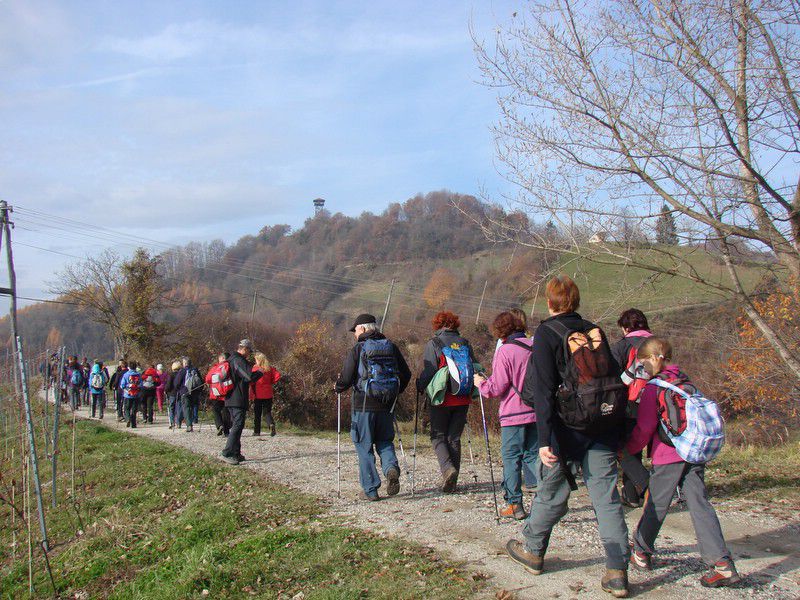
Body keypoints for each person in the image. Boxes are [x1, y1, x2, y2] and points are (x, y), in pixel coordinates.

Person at [506, 275, 630, 598]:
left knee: (552, 490)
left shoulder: (547, 333)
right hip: (602, 426)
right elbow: (613, 380)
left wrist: (545, 439)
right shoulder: (594, 330)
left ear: (550, 303)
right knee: (606, 497)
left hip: (567, 429)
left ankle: (533, 550)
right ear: (575, 301)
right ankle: (617, 570)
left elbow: (544, 392)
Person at [627, 337, 739, 587]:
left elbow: (645, 428)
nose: (642, 368)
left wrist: (627, 450)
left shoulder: (654, 387)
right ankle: (722, 563)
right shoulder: (685, 381)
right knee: (699, 504)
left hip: (669, 453)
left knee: (656, 504)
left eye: (643, 362)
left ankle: (641, 552)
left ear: (652, 359)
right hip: (694, 450)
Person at [335, 314, 411, 500]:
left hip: (363, 406)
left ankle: (370, 490)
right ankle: (391, 468)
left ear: (362, 328)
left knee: (364, 445)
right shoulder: (390, 347)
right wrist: (393, 392)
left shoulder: (358, 349)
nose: (354, 334)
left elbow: (346, 378)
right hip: (386, 406)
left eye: (355, 330)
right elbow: (406, 374)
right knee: (385, 441)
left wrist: (337, 387)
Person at [475, 311, 536, 520]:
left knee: (512, 458)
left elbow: (497, 387)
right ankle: (545, 501)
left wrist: (481, 384)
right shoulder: (534, 345)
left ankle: (514, 504)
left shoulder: (506, 351)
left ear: (500, 332)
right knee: (533, 456)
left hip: (513, 413)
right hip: (536, 411)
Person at [416, 310, 476, 493]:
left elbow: (429, 370)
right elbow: (474, 366)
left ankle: (447, 469)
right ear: (455, 324)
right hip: (463, 397)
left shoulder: (435, 343)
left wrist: (420, 385)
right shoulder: (465, 343)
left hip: (441, 398)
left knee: (438, 436)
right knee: (454, 437)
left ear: (438, 325)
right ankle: (453, 480)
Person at [611, 308, 653, 508]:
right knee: (636, 446)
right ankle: (631, 494)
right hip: (657, 402)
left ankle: (646, 483)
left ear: (626, 327)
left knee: (621, 446)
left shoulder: (623, 346)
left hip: (630, 403)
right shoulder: (658, 344)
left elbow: (612, 376)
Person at [221, 340, 262, 465]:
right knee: (238, 425)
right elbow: (248, 377)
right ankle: (227, 453)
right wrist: (260, 371)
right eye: (249, 351)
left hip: (230, 397)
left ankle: (236, 453)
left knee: (237, 425)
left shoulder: (231, 359)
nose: (249, 354)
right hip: (237, 398)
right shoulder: (238, 360)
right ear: (244, 349)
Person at [251, 352, 281, 437]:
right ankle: (271, 424)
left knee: (257, 413)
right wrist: (271, 382)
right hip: (268, 393)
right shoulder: (269, 368)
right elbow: (277, 376)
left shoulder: (255, 368)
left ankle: (257, 431)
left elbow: (250, 379)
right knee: (267, 412)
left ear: (258, 360)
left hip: (258, 393)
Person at [205, 352, 232, 436]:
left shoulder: (215, 367)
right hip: (227, 391)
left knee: (216, 410)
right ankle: (227, 431)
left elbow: (208, 379)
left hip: (215, 392)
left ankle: (220, 425)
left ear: (222, 358)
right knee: (226, 411)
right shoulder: (231, 366)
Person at [176, 357, 203, 433]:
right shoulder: (195, 370)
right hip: (195, 392)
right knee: (192, 407)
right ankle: (193, 420)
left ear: (184, 363)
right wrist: (199, 390)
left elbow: (177, 383)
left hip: (185, 392)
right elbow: (201, 381)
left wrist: (179, 390)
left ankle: (189, 425)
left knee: (186, 408)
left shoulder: (182, 371)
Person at [119, 361, 142, 428]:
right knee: (134, 410)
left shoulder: (126, 374)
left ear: (129, 367)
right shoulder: (138, 374)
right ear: (135, 367)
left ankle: (128, 419)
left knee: (127, 408)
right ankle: (133, 424)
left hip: (128, 394)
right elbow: (141, 384)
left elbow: (122, 385)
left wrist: (124, 388)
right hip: (136, 394)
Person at [164, 360, 183, 429]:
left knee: (171, 408)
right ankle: (179, 423)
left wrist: (166, 390)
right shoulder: (181, 374)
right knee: (179, 407)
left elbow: (168, 385)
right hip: (180, 393)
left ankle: (172, 422)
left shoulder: (171, 375)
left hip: (172, 393)